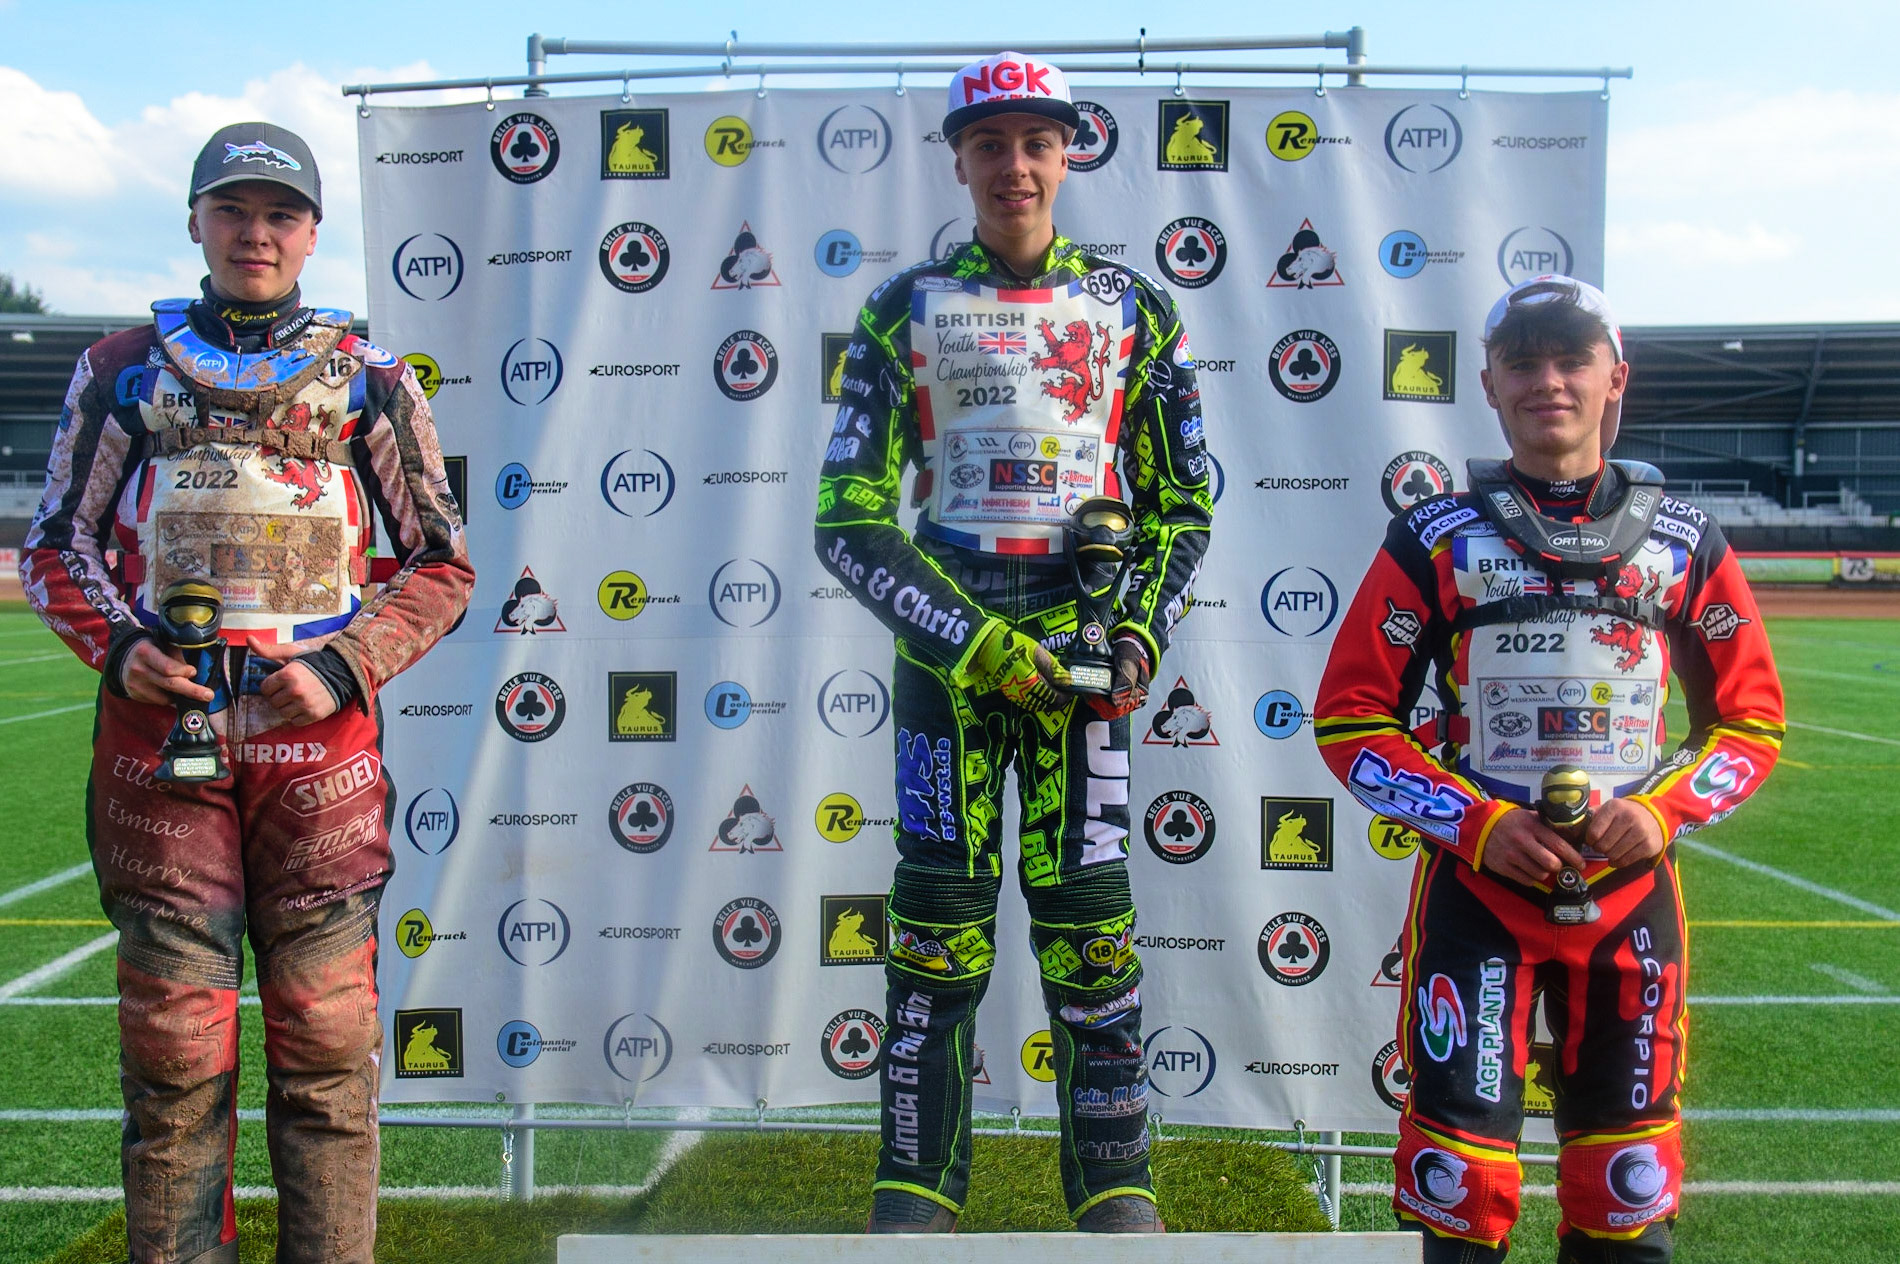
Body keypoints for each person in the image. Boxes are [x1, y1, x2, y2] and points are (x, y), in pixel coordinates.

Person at [20, 122, 471, 1264]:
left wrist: (341, 665)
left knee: (328, 1052)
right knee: (174, 1056)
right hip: (159, 754)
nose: (255, 233)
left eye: (280, 214)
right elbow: (56, 543)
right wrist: (121, 649)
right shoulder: (121, 366)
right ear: (195, 222)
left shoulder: (373, 380)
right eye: (232, 209)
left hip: (317, 760)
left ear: (314, 232)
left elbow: (441, 563)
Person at [814, 52, 1213, 1234]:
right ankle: (914, 1198)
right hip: (950, 666)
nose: (1015, 166)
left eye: (1036, 142)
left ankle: (1117, 1195)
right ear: (958, 161)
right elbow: (846, 520)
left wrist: (1133, 632)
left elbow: (1182, 504)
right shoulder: (903, 308)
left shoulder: (1135, 307)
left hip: (1081, 667)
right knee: (934, 936)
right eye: (989, 144)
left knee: (1092, 935)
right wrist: (980, 645)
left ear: (1069, 153)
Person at [1314, 277, 1784, 1262]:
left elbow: (1749, 721)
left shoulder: (1684, 540)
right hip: (1478, 900)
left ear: (1616, 377)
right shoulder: (1435, 536)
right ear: (1489, 384)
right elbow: (1352, 719)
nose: (1549, 382)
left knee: (1626, 1191)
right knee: (1457, 1190)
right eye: (1523, 363)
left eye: (1572, 360)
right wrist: (1479, 825)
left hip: (1629, 903)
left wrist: (1660, 812)